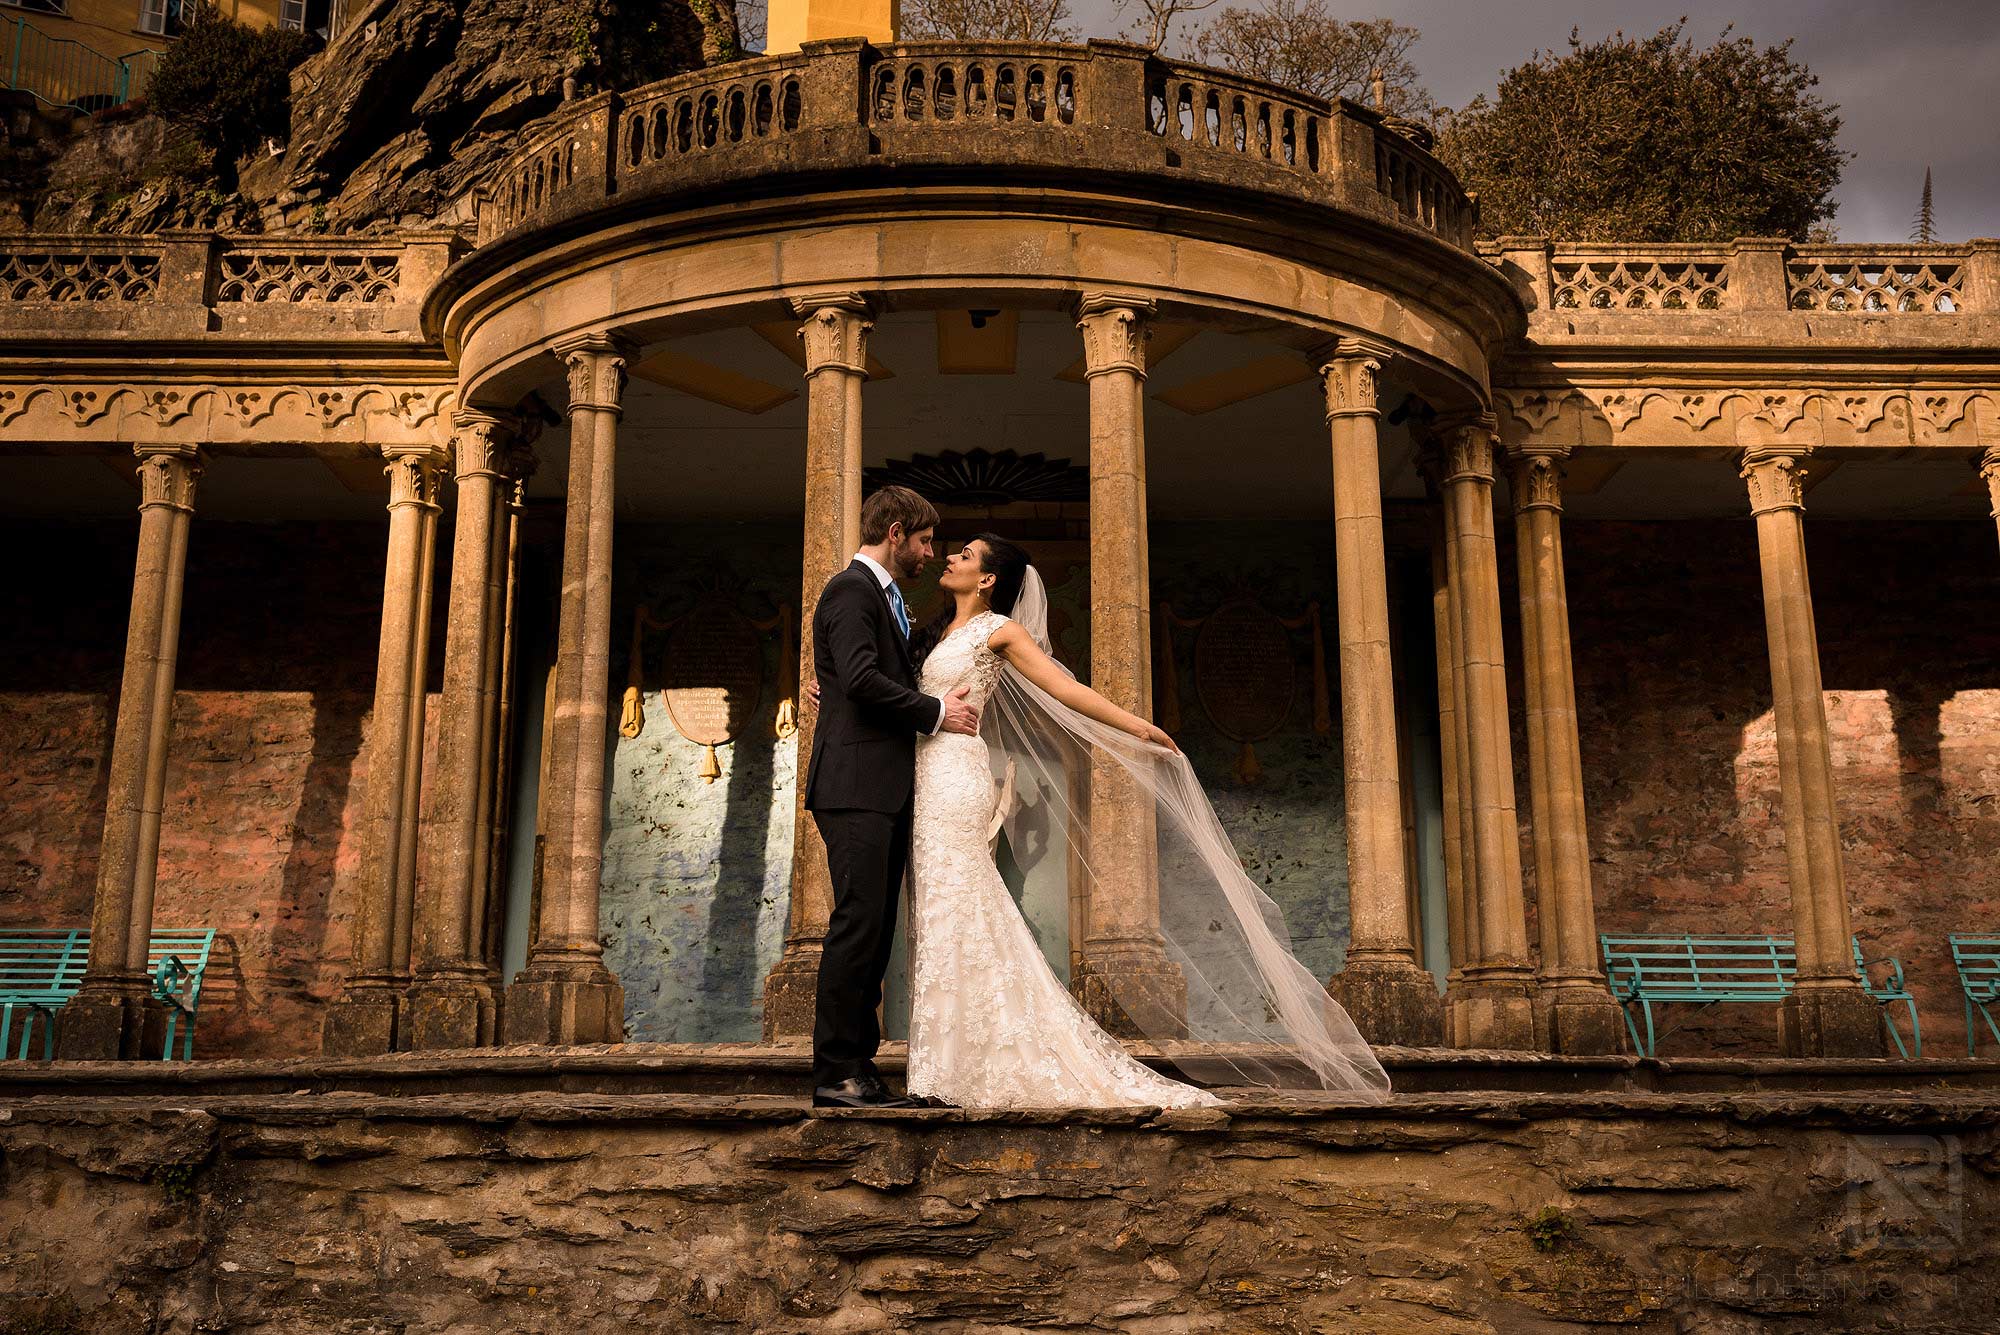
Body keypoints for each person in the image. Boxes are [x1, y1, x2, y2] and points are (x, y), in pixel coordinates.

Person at [834, 528, 1392, 1110]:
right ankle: (947, 1064)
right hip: (920, 780)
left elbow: (1065, 689)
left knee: (960, 906)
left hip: (955, 781)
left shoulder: (999, 632)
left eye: (965, 555)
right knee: (936, 916)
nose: (949, 556)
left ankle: (963, 1070)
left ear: (990, 578)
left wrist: (1136, 726)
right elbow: (879, 685)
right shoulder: (926, 632)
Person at [803, 486, 981, 1110]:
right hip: (854, 785)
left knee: (874, 929)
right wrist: (935, 711)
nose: (931, 554)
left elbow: (863, 675)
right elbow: (857, 675)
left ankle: (861, 1067)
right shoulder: (851, 589)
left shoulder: (886, 597)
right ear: (897, 531)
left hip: (880, 785)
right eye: (927, 541)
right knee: (857, 924)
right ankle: (836, 1073)